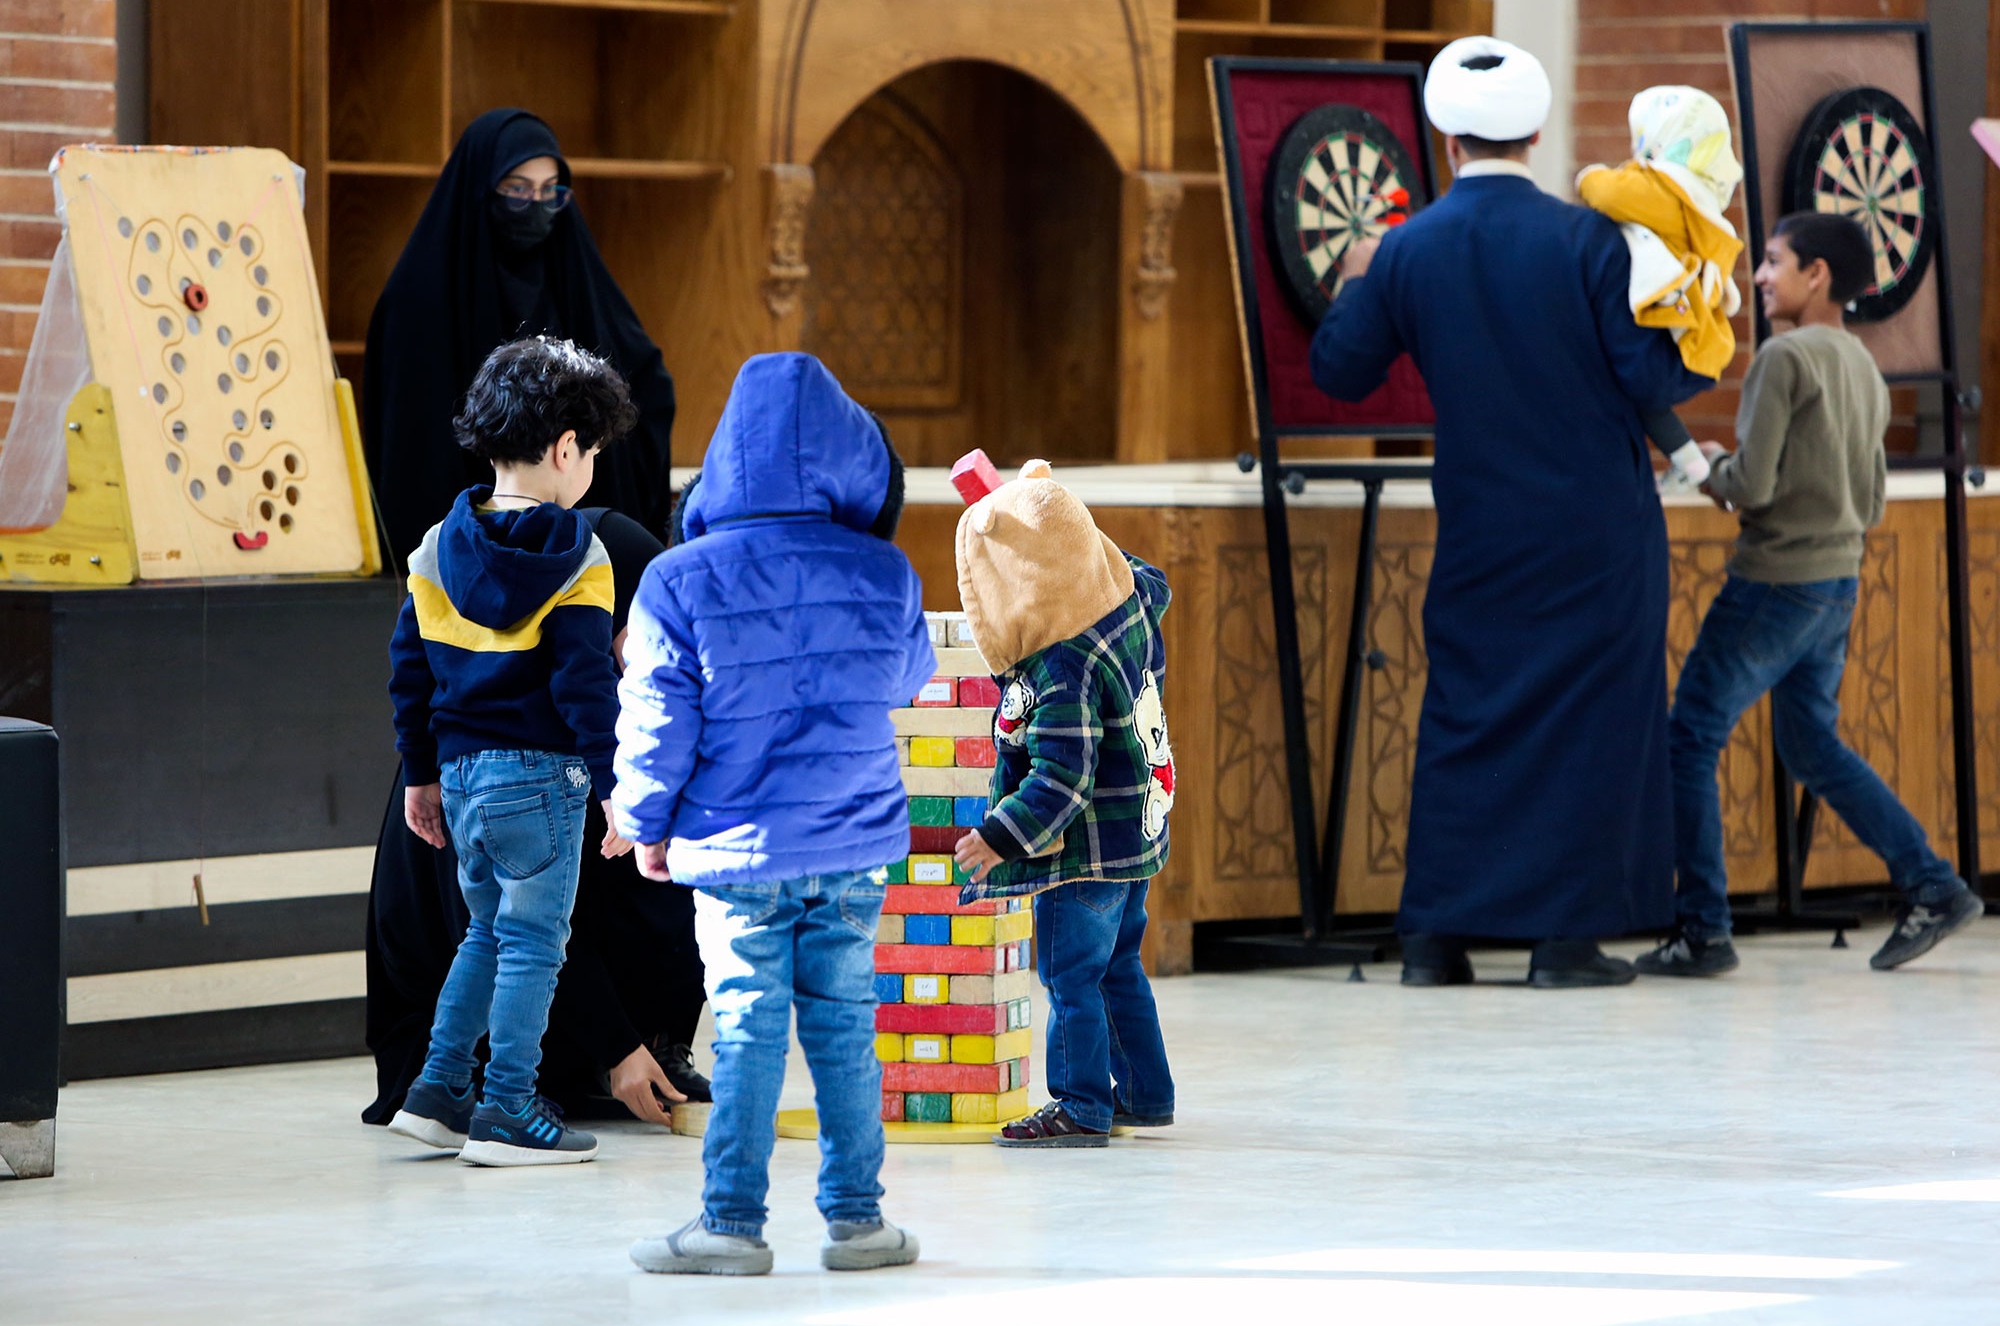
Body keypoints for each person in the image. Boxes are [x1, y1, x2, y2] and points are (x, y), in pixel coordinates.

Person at [1310, 36, 1713, 988]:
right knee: (1593, 724)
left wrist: (1364, 274)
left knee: (1467, 712)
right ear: (1536, 131)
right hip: (1596, 529)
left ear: (1445, 138)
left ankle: (1435, 940)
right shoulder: (1589, 240)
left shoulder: (1409, 249)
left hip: (1481, 526)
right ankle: (1563, 943)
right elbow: (1658, 374)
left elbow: (1339, 372)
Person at [616, 353, 934, 1275]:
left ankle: (731, 1224)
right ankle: (859, 1221)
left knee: (749, 1025)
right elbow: (907, 679)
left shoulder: (678, 579)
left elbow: (656, 722)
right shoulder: (884, 570)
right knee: (844, 1026)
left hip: (735, 849)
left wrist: (642, 824)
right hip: (853, 842)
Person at [1638, 214, 1986, 978]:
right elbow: (1869, 492)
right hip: (1837, 582)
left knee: (1690, 736)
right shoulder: (1861, 364)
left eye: (1772, 262)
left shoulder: (1783, 358)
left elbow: (1749, 489)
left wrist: (1694, 456)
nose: (1760, 277)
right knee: (1810, 744)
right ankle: (1932, 884)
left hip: (1773, 583)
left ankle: (1704, 930)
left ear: (1817, 274)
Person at [362, 499, 712, 1133]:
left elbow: (407, 670)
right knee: (523, 931)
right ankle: (505, 1102)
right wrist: (615, 1046)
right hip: (456, 914)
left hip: (475, 796)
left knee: (505, 927)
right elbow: (526, 915)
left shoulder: (449, 550)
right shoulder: (591, 565)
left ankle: (447, 1087)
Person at [385, 337, 648, 1167]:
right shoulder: (582, 554)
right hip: (541, 778)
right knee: (535, 944)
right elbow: (584, 688)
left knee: (485, 935)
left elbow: (409, 673)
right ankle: (505, 1107)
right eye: (594, 452)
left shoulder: (434, 546)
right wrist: (615, 787)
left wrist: (421, 774)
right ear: (567, 447)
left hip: (460, 778)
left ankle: (434, 1092)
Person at [950, 460, 1177, 1149]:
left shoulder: (1062, 665)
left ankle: (1081, 1105)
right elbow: (1090, 554)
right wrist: (1042, 510)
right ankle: (1145, 1093)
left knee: (1070, 975)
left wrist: (999, 836)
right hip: (1135, 832)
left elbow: (1062, 780)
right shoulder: (1130, 597)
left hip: (1083, 854)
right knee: (1119, 965)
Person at [363, 108, 677, 565]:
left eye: (550, 193)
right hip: (458, 546)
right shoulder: (419, 297)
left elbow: (644, 376)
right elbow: (410, 436)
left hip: (574, 540)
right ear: (481, 191)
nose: (536, 207)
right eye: (517, 192)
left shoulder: (574, 276)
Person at [1576, 85, 1746, 487]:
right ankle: (1690, 463)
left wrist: (1589, 176)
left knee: (1631, 390)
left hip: (1659, 337)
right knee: (1645, 406)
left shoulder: (1666, 191)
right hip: (1689, 342)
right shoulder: (1700, 199)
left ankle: (1691, 466)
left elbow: (1606, 191)